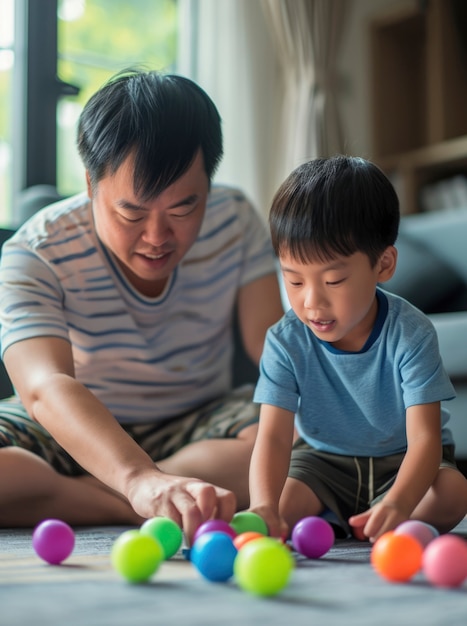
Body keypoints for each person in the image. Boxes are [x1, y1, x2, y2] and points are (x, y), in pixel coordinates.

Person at [0, 69, 283, 543]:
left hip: (199, 416)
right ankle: (146, 501)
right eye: (131, 212)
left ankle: (85, 496)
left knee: (295, 441)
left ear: (208, 187)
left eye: (182, 209)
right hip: (73, 424)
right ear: (91, 184)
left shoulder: (234, 218)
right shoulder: (37, 251)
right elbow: (46, 386)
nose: (157, 238)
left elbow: (274, 350)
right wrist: (136, 480)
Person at [248, 155, 467, 543]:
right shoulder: (285, 341)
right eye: (295, 282)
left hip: (402, 461)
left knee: (453, 494)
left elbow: (425, 440)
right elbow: (274, 438)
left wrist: (399, 502)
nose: (312, 303)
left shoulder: (411, 333)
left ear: (383, 265)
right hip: (323, 463)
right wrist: (263, 505)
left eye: (333, 281)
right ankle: (349, 517)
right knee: (276, 509)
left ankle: (371, 517)